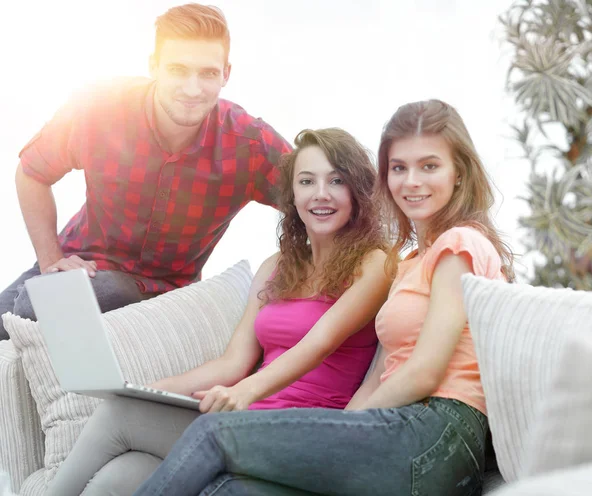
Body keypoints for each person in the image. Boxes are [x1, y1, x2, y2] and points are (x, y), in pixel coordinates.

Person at [131, 99, 516, 496]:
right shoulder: (409, 265)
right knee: (230, 490)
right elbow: (380, 375)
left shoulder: (459, 245)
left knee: (212, 433)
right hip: (401, 432)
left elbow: (424, 372)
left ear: (459, 173)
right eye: (399, 168)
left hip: (437, 434)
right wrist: (338, 434)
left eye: (429, 166)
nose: (412, 181)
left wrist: (342, 427)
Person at [45, 127, 390, 495]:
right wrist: (147, 392)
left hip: (299, 434)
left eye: (336, 180)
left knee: (118, 417)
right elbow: (233, 362)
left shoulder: (375, 264)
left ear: (357, 190)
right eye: (307, 181)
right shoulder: (276, 265)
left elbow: (319, 342)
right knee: (124, 474)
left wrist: (244, 391)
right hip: (242, 420)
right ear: (292, 194)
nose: (321, 194)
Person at [0, 3, 291, 341]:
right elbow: (32, 172)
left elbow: (317, 197)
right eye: (178, 70)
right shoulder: (99, 108)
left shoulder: (249, 144)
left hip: (160, 292)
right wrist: (51, 260)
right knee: (38, 304)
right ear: (154, 66)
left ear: (226, 74)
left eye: (208, 73)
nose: (192, 89)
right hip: (76, 265)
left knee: (58, 304)